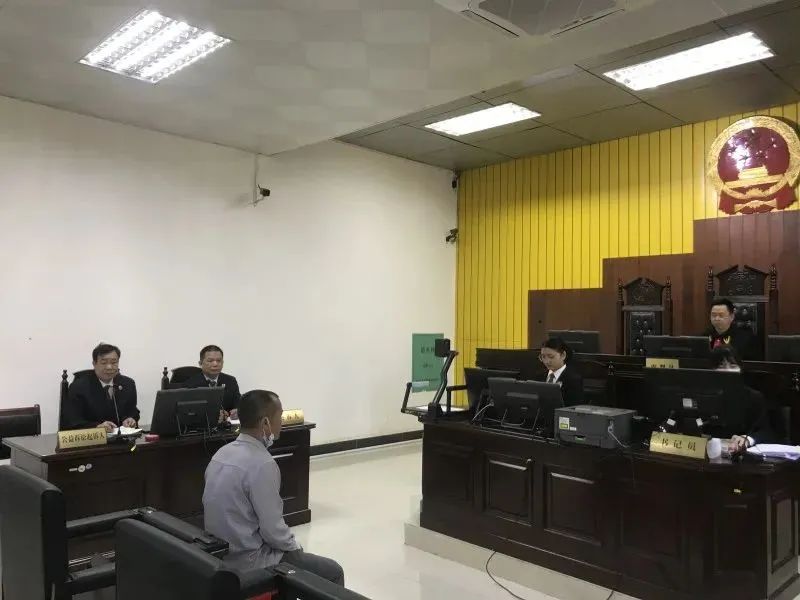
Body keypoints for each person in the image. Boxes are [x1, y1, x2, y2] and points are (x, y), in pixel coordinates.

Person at [203, 390, 344, 585]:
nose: (281, 423)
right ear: (265, 423)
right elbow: (273, 531)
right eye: (280, 416)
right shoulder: (262, 463)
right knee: (333, 571)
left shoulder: (221, 454)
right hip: (250, 561)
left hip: (220, 555)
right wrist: (296, 548)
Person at [710, 346, 773, 453]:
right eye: (721, 366)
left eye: (733, 365)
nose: (728, 370)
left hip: (740, 454)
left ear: (741, 370)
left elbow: (766, 431)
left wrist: (747, 439)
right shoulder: (706, 396)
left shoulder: (754, 397)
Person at [62, 343, 139, 432]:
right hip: (92, 439)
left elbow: (133, 411)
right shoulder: (79, 387)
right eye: (104, 363)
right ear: (94, 364)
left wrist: (130, 419)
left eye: (114, 362)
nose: (109, 367)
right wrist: (97, 427)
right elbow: (72, 421)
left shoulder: (128, 384)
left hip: (122, 439)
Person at [184, 345, 241, 415]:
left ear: (223, 362)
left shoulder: (230, 381)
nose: (215, 364)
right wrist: (213, 415)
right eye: (210, 361)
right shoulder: (190, 385)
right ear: (200, 363)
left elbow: (238, 404)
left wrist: (237, 412)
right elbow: (189, 413)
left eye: (219, 360)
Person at [539, 337, 584, 406]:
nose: (546, 361)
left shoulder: (573, 379)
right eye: (543, 357)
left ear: (563, 355)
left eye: (551, 357)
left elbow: (573, 406)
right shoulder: (539, 376)